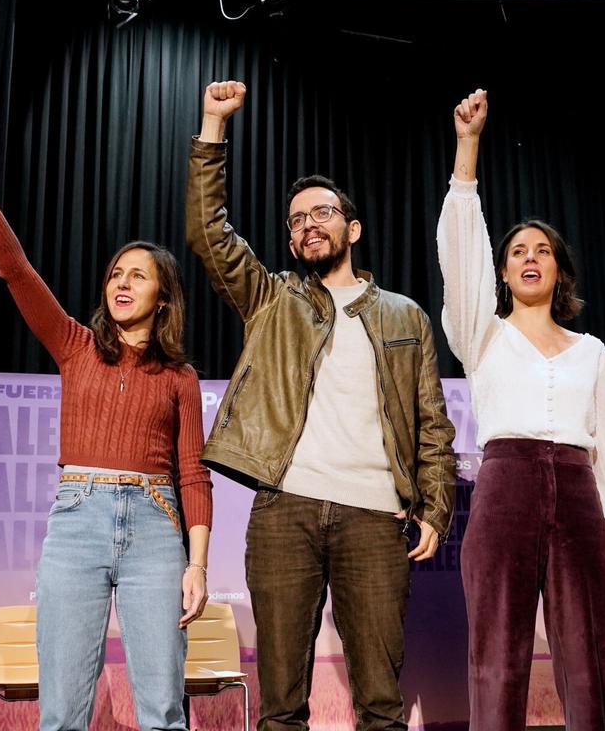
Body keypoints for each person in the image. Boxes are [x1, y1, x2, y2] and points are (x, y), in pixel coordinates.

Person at [186, 81, 456, 731]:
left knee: (381, 708)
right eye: (298, 220)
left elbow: (432, 424)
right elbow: (207, 233)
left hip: (375, 518)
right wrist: (213, 127)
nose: (310, 224)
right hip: (286, 512)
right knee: (280, 707)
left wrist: (436, 506)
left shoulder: (404, 316)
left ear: (351, 228)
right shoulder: (272, 299)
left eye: (323, 213)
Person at [0, 122, 212, 731]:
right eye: (116, 273)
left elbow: (195, 475)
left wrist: (196, 566)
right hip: (76, 524)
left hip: (156, 528)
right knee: (62, 713)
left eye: (137, 275)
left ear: (163, 297)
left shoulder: (180, 378)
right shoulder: (75, 345)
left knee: (163, 712)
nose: (122, 282)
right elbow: (15, 269)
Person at [437, 88, 605, 729]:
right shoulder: (482, 335)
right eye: (517, 253)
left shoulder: (592, 351)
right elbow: (462, 260)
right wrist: (467, 150)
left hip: (580, 497)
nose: (530, 258)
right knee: (497, 659)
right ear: (502, 274)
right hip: (506, 489)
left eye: (543, 251)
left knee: (587, 662)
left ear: (560, 271)